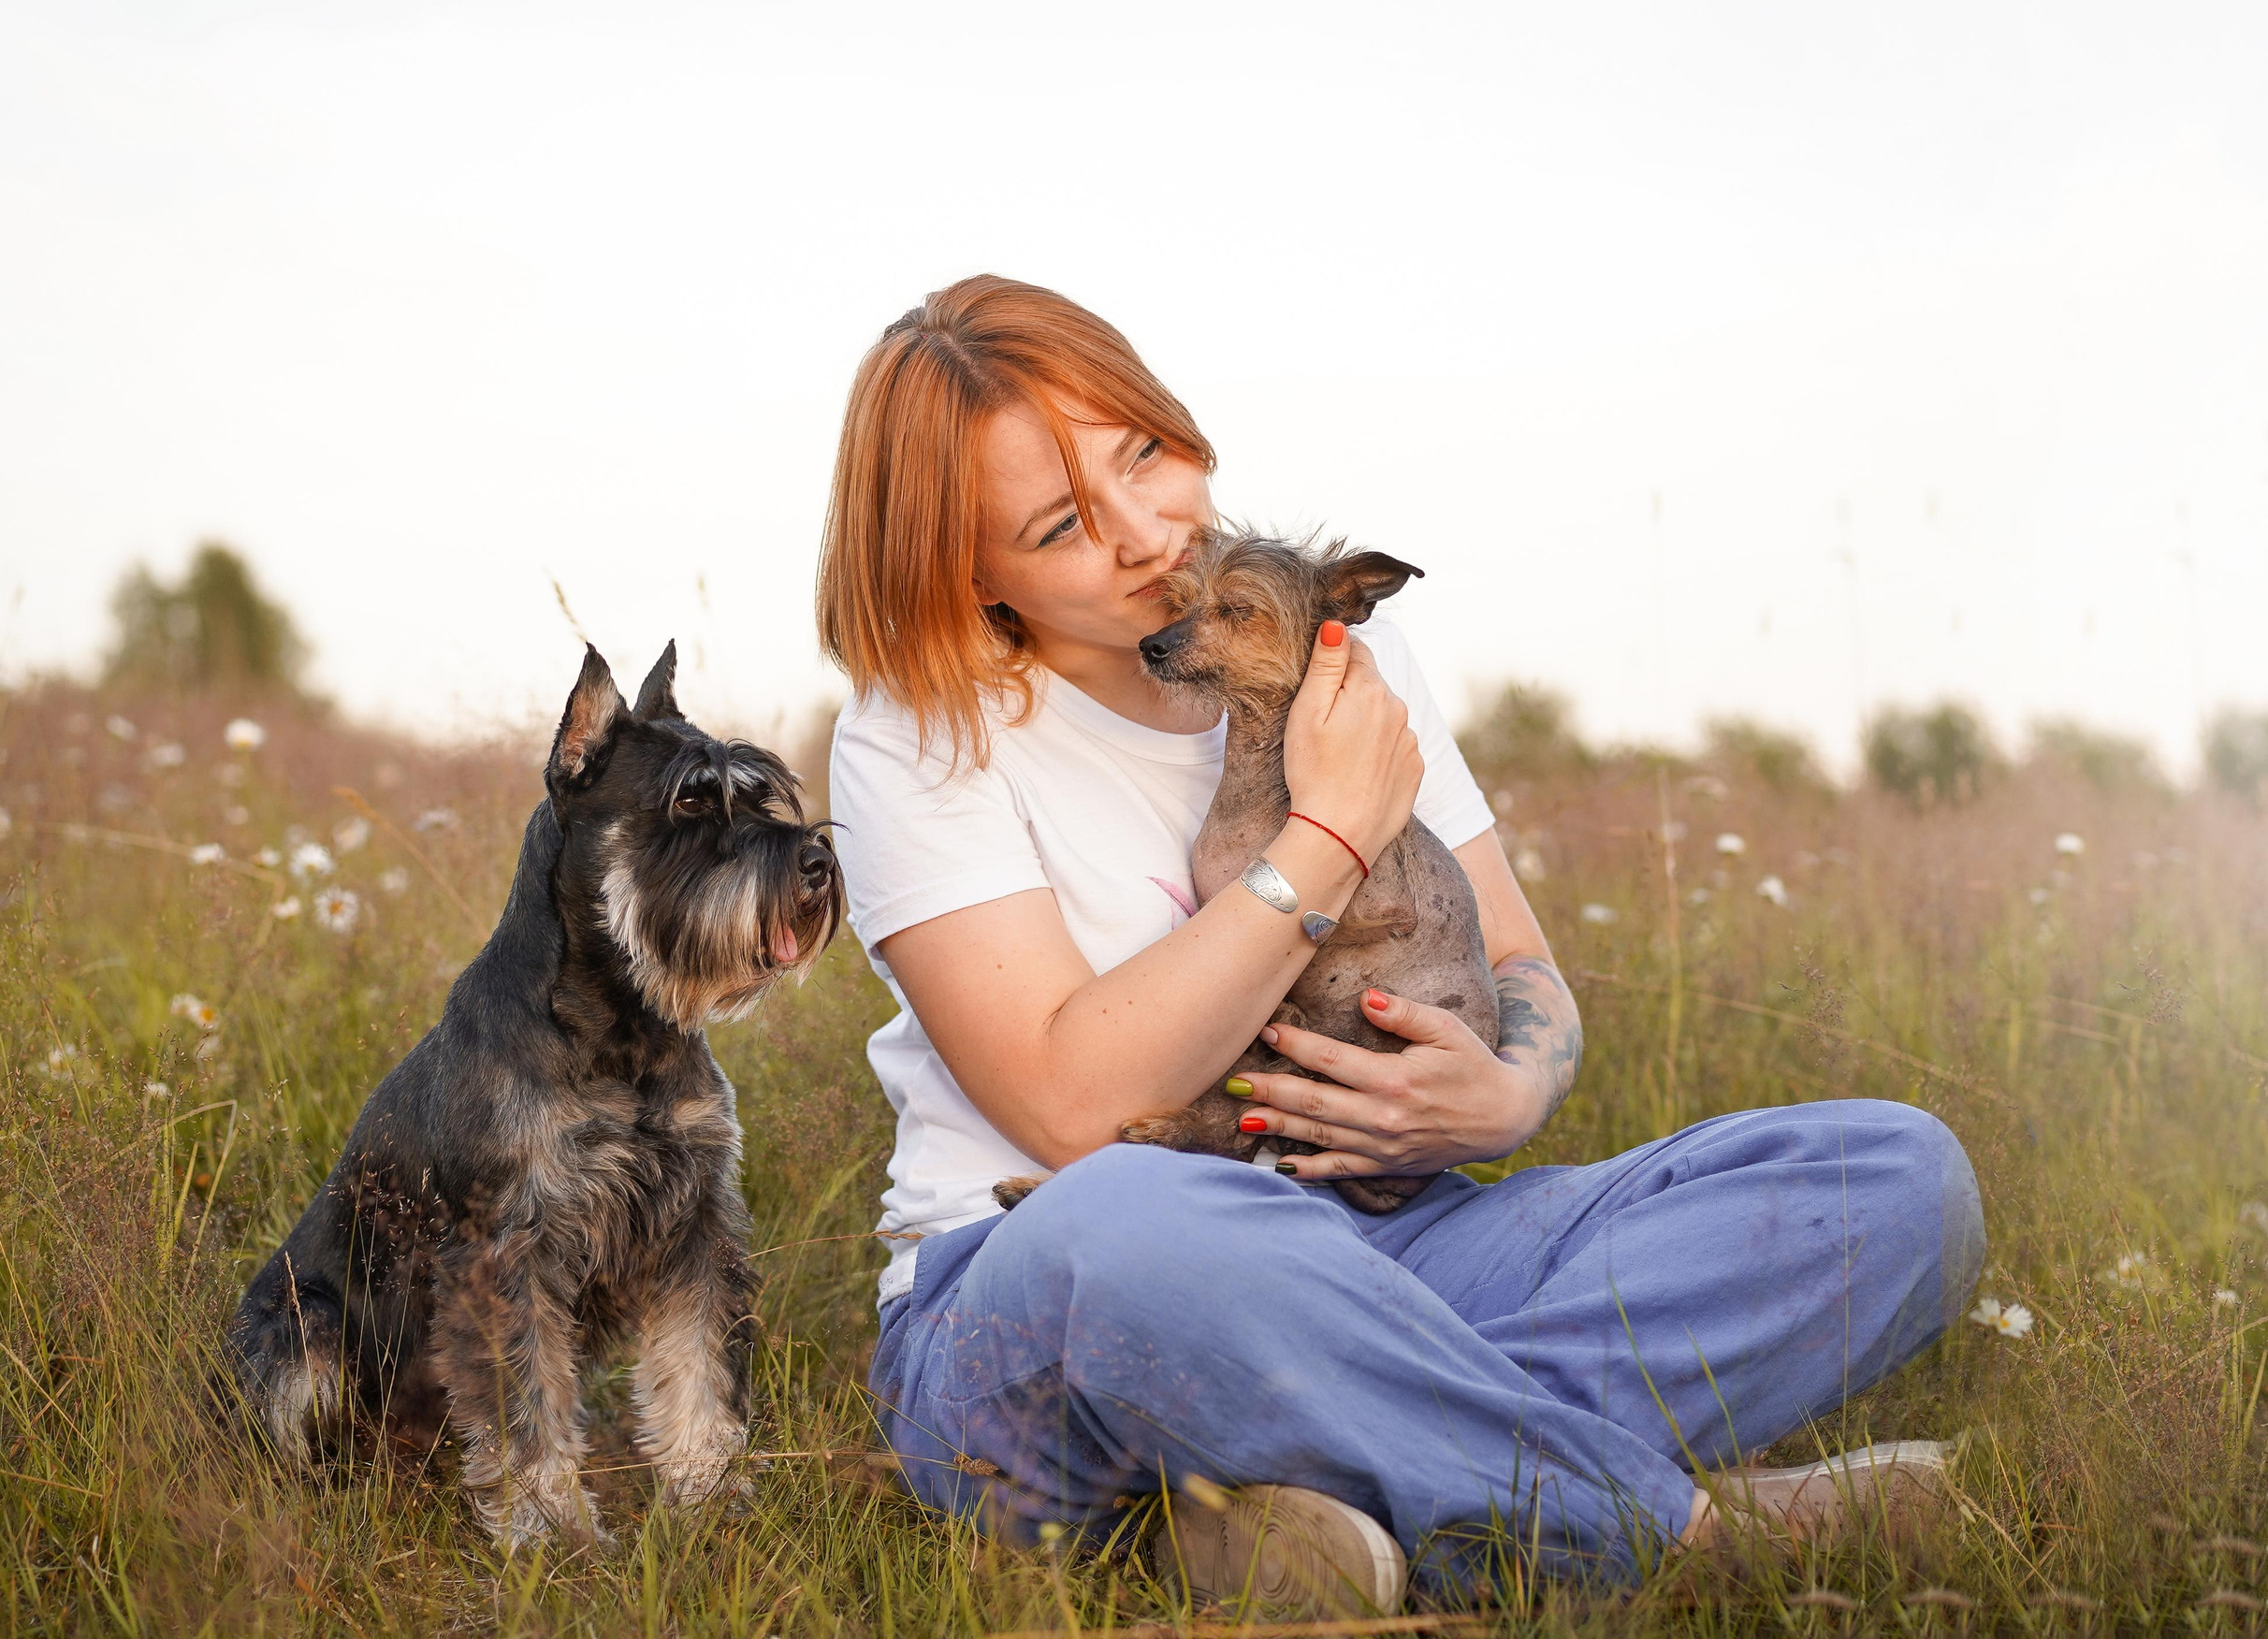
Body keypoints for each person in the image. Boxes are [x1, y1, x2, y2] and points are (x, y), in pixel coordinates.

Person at [815, 275, 1985, 1611]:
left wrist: (1507, 1093)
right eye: (1063, 524)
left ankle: (1278, 1501)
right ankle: (1685, 1543)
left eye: (1144, 453)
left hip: (1400, 1240)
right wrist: (1328, 833)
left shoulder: (1335, 638)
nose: (1148, 535)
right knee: (1133, 1219)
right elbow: (1076, 1107)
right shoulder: (924, 732)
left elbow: (1524, 968)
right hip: (1061, 1290)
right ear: (970, 572)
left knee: (1891, 1179)